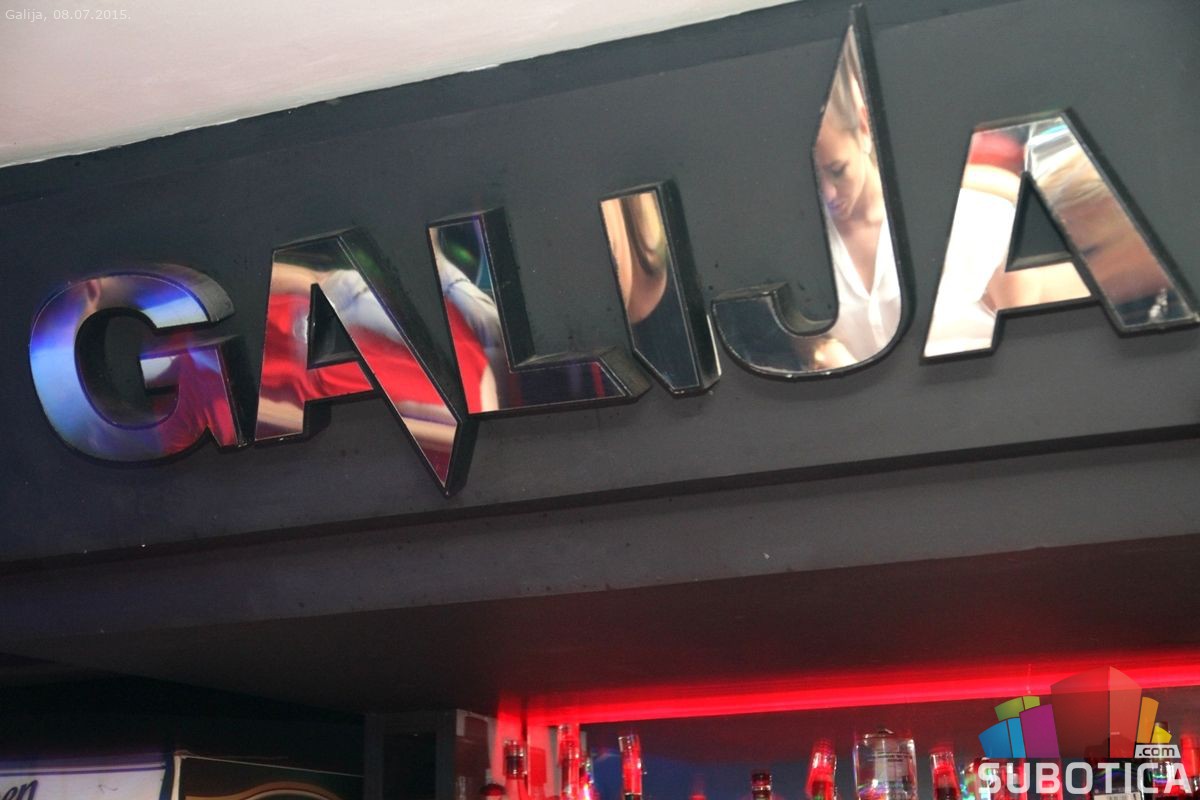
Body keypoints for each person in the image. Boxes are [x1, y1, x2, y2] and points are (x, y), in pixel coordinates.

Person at [809, 37, 899, 367]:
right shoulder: (801, 237)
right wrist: (820, 350)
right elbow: (803, 331)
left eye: (837, 170)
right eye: (811, 176)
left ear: (863, 126)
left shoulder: (920, 217)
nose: (828, 194)